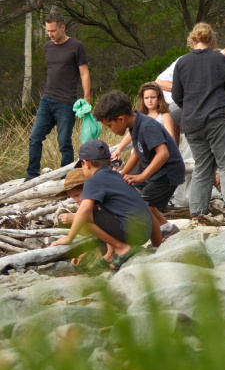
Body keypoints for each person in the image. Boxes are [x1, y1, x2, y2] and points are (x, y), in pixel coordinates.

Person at [171, 22, 225, 224]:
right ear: (212, 40)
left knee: (202, 166)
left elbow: (177, 95)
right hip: (216, 117)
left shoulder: (182, 63)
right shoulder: (219, 58)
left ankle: (196, 214)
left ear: (192, 41)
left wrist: (192, 106)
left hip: (191, 123)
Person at [93, 90, 184, 241]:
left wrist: (142, 176)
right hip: (155, 172)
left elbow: (163, 154)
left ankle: (158, 244)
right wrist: (121, 174)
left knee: (144, 208)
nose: (110, 130)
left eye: (109, 125)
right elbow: (136, 153)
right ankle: (168, 229)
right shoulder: (135, 125)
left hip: (168, 173)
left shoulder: (147, 126)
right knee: (136, 197)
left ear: (121, 119)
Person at [50, 139, 153, 271]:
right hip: (144, 231)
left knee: (83, 217)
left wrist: (69, 237)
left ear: (85, 163)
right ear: (109, 160)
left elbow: (85, 209)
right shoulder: (116, 176)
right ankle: (112, 252)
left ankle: (121, 248)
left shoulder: (93, 181)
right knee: (94, 215)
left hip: (133, 231)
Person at [26, 12, 91, 180]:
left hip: (67, 103)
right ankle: (31, 175)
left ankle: (66, 177)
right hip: (47, 100)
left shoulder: (77, 46)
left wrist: (87, 97)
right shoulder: (47, 47)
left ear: (63, 27)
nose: (50, 34)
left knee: (64, 143)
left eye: (53, 30)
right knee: (35, 138)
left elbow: (84, 73)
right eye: (48, 31)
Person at [110, 82, 175, 162]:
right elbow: (130, 135)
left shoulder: (164, 116)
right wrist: (118, 150)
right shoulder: (140, 117)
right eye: (146, 98)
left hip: (158, 155)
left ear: (159, 98)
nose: (150, 101)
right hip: (142, 154)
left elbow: (170, 137)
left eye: (153, 97)